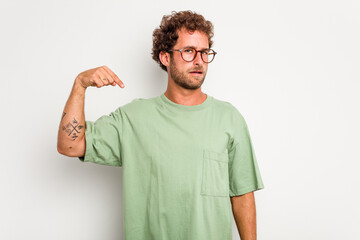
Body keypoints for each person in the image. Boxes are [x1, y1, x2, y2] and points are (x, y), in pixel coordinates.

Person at [57, 10, 264, 240]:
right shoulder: (133, 118)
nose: (199, 61)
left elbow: (242, 196)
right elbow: (70, 145)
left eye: (204, 52)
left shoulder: (230, 119)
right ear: (166, 58)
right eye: (188, 52)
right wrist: (80, 85)